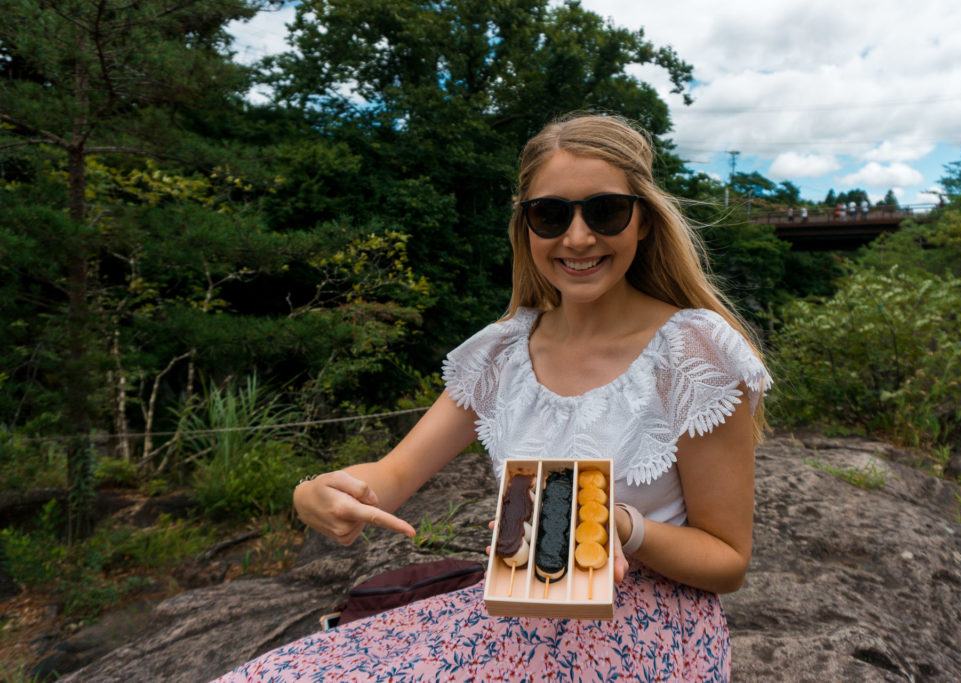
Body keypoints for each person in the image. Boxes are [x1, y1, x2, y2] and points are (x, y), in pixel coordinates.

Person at [215, 114, 772, 682]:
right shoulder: (501, 351)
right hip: (515, 618)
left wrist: (621, 525)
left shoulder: (692, 352)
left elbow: (727, 560)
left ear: (644, 221)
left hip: (649, 627)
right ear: (525, 226)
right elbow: (389, 477)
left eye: (605, 211)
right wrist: (316, 490)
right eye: (551, 215)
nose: (577, 238)